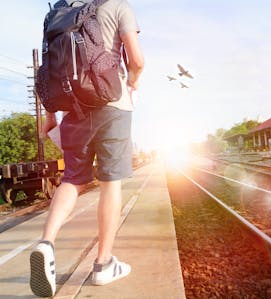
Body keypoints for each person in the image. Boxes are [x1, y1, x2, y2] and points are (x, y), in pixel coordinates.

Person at [30, 0, 144, 297]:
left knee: (72, 180)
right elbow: (137, 59)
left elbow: (47, 69)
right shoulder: (118, 5)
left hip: (72, 109)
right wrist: (133, 83)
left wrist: (51, 115)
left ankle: (45, 243)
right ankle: (103, 264)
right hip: (113, 105)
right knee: (110, 184)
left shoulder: (58, 12)